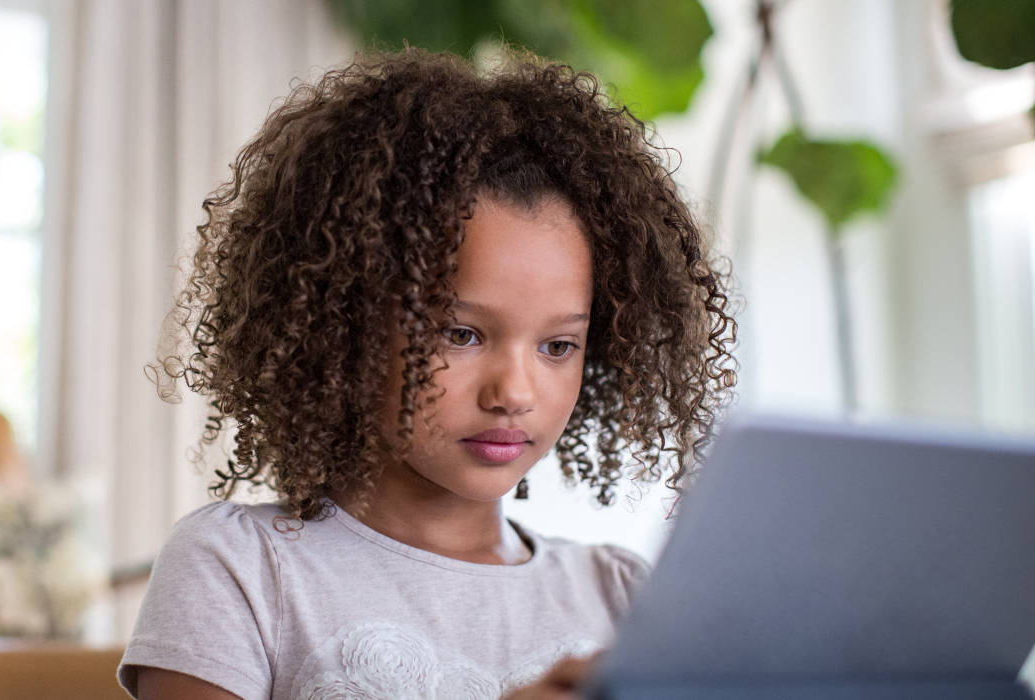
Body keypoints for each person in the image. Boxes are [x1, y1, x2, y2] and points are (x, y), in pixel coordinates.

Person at [120, 48, 736, 700]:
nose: (515, 393)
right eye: (461, 334)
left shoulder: (620, 599)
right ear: (344, 325)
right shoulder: (240, 570)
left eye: (558, 346)